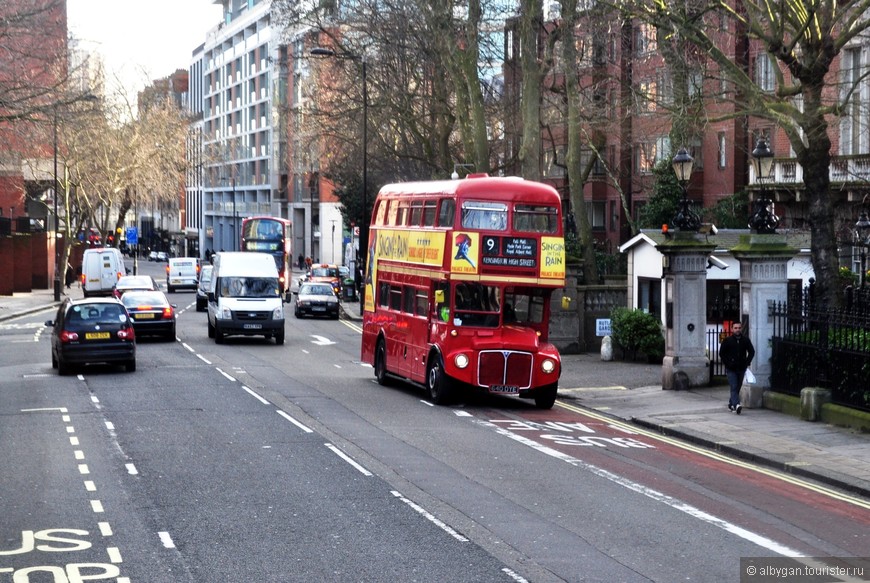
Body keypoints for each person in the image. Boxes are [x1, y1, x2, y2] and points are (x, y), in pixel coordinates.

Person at [719, 322, 755, 414]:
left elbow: (751, 351)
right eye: (735, 328)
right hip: (731, 369)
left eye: (739, 327)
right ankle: (737, 405)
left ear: (741, 328)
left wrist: (746, 362)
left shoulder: (745, 340)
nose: (737, 329)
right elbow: (722, 353)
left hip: (741, 368)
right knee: (734, 386)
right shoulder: (727, 341)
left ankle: (731, 404)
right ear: (732, 329)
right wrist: (728, 363)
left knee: (738, 387)